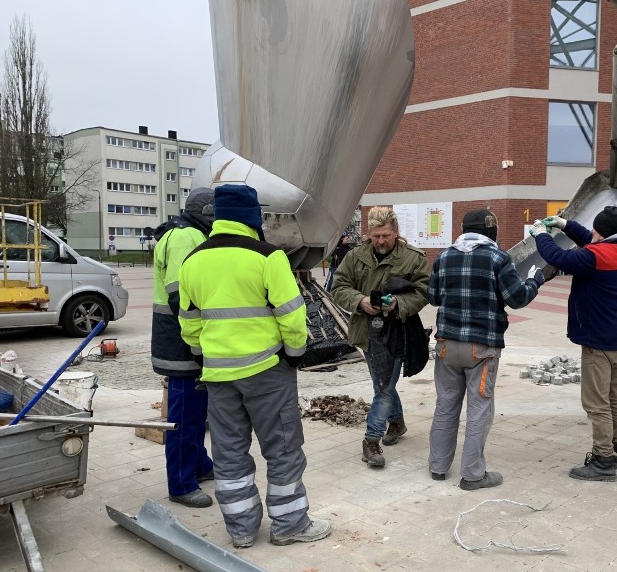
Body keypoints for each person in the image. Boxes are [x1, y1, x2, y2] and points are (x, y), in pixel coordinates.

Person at [178, 184, 331, 548]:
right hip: (267, 372)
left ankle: (242, 530)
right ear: (251, 216)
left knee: (229, 454)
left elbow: (189, 323)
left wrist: (205, 356)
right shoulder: (268, 257)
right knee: (282, 449)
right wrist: (295, 355)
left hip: (218, 376)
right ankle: (289, 524)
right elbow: (293, 319)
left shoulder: (194, 260)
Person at [428, 209, 544, 490]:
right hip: (481, 348)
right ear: (492, 231)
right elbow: (517, 299)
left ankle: (438, 467)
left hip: (446, 346)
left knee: (445, 406)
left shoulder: (443, 257)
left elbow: (432, 297)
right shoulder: (497, 258)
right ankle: (472, 475)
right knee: (479, 409)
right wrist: (535, 280)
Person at [529, 206, 617, 482]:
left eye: (595, 231)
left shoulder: (596, 257)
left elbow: (558, 257)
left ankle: (603, 461)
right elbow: (591, 242)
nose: (592, 234)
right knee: (615, 393)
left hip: (599, 340)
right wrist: (566, 225)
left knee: (596, 402)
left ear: (604, 235)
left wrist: (541, 234)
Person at [331, 206, 429, 467]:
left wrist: (397, 302)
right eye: (376, 236)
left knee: (384, 388)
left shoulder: (413, 258)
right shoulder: (355, 256)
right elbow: (338, 286)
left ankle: (371, 440)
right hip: (366, 331)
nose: (381, 241)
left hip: (397, 332)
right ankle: (396, 422)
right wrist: (359, 300)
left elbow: (423, 292)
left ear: (396, 232)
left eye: (386, 235)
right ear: (369, 234)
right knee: (381, 383)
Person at [151, 187, 216, 509]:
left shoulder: (188, 233)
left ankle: (199, 464)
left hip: (184, 337)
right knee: (185, 414)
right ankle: (180, 482)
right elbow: (181, 294)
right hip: (180, 340)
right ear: (207, 213)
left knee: (197, 409)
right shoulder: (184, 238)